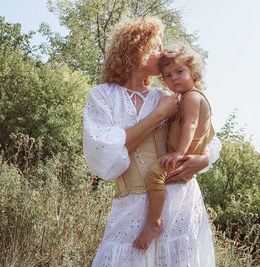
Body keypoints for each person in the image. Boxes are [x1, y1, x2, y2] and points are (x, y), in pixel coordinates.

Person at [83, 16, 221, 266]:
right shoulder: (103, 96)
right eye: (156, 46)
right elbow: (106, 152)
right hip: (131, 204)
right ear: (137, 50)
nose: (162, 52)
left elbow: (203, 133)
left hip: (180, 200)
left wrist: (204, 159)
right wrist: (159, 114)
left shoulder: (167, 95)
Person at [133, 45, 215, 250]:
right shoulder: (184, 97)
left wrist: (179, 152)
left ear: (193, 72)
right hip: (185, 154)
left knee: (154, 175)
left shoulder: (193, 97)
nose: (174, 78)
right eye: (168, 75)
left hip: (185, 157)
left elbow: (191, 125)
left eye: (180, 72)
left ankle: (154, 223)